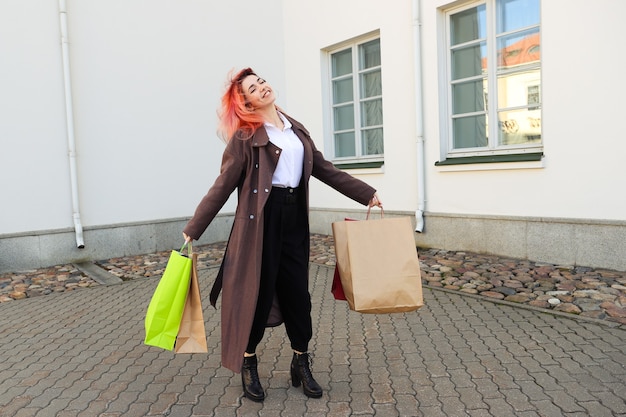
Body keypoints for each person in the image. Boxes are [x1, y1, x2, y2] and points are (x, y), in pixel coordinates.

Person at [182, 67, 382, 402]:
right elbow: (223, 185)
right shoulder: (246, 139)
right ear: (245, 101)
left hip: (293, 219)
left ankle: (300, 361)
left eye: (261, 82)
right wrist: (194, 227)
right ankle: (248, 363)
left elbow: (325, 170)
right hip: (260, 222)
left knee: (297, 295)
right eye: (252, 88)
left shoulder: (296, 131)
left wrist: (365, 193)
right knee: (255, 295)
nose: (261, 88)